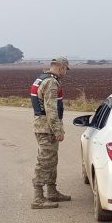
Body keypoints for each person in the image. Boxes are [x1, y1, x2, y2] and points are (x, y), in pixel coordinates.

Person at [30, 56, 72, 209]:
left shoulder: (42, 78)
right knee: (45, 161)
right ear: (61, 67)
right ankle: (38, 198)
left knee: (51, 160)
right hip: (46, 128)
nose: (66, 72)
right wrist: (57, 130)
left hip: (43, 126)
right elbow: (51, 109)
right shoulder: (51, 82)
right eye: (66, 69)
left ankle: (52, 192)